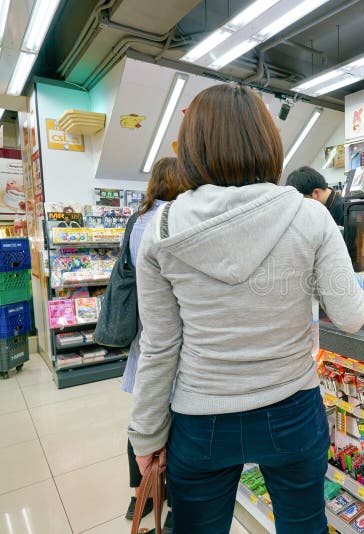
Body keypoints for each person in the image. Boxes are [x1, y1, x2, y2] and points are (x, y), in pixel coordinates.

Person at [128, 84, 364, 534]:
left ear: (192, 148)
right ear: (268, 142)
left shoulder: (160, 227)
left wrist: (146, 434)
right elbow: (351, 316)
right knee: (304, 525)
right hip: (292, 405)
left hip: (200, 415)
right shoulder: (311, 215)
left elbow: (159, 345)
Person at [121, 157, 184, 532]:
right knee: (173, 424)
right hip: (168, 336)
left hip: (142, 335)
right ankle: (174, 500)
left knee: (141, 420)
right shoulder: (171, 221)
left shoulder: (137, 219)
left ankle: (138, 496)